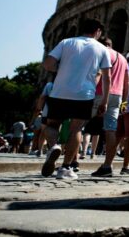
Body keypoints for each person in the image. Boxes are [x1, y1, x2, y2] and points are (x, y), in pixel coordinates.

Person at [40, 18, 112, 179]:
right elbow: (107, 77)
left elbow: (47, 64)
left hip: (60, 91)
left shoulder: (66, 42)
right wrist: (104, 100)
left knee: (52, 125)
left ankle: (53, 146)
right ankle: (65, 168)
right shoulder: (102, 49)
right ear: (97, 32)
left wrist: (61, 70)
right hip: (84, 94)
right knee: (76, 129)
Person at [91, 37, 129, 177]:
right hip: (117, 96)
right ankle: (107, 166)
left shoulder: (103, 53)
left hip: (100, 93)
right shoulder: (123, 58)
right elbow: (127, 82)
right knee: (111, 130)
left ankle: (71, 162)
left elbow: (99, 73)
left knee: (79, 124)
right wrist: (124, 102)